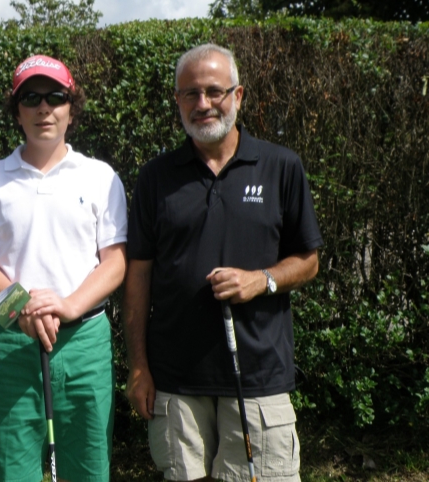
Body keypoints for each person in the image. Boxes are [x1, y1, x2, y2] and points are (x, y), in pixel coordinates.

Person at [123, 43, 323, 482]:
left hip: (257, 379)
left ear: (239, 95)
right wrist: (138, 366)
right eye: (190, 94)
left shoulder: (280, 166)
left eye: (215, 91)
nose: (203, 104)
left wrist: (263, 280)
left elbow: (308, 260)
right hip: (175, 381)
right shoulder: (156, 177)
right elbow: (137, 275)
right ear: (177, 101)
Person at [0, 55, 127, 482]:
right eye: (30, 98)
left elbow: (115, 263)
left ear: (72, 108)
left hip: (84, 341)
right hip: (10, 341)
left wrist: (69, 306)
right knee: (13, 469)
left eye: (56, 97)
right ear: (16, 110)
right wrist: (23, 309)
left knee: (88, 468)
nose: (43, 108)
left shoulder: (100, 176)